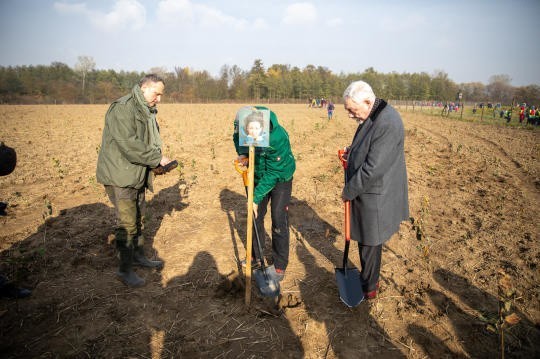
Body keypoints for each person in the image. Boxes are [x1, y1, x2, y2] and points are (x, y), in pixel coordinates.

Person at [96, 74, 173, 287]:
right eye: (157, 94)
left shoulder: (146, 110)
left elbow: (145, 141)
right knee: (127, 223)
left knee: (138, 217)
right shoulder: (123, 108)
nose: (159, 99)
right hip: (120, 175)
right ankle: (124, 269)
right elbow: (129, 144)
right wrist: (156, 158)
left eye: (161, 95)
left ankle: (138, 256)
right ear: (144, 88)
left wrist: (154, 165)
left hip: (136, 172)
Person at [341, 81, 409, 299]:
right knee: (366, 238)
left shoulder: (387, 122)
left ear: (368, 102)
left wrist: (348, 190)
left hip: (376, 192)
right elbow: (368, 144)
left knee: (370, 240)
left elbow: (372, 168)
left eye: (352, 110)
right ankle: (368, 279)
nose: (351, 116)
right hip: (369, 190)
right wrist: (351, 153)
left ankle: (369, 287)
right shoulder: (373, 114)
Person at [233, 106, 296, 281]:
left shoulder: (277, 137)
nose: (252, 131)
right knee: (254, 216)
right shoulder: (241, 126)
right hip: (256, 174)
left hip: (280, 176)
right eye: (248, 129)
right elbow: (237, 139)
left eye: (256, 129)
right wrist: (243, 154)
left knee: (278, 219)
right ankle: (256, 255)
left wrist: (255, 197)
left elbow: (274, 173)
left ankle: (279, 264)